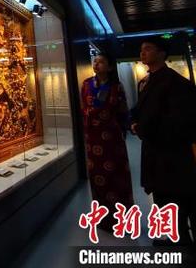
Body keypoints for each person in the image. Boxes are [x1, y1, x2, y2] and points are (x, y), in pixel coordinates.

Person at [131, 37, 196, 245]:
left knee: (177, 198)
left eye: (148, 48)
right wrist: (133, 122)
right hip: (155, 151)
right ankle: (177, 239)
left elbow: (179, 121)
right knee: (163, 197)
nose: (143, 53)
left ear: (162, 53)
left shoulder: (175, 82)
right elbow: (140, 110)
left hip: (171, 153)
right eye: (141, 49)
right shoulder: (146, 81)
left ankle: (184, 245)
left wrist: (143, 128)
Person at [80, 53, 134, 229]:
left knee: (118, 176)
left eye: (101, 61)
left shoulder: (116, 86)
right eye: (95, 61)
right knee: (97, 177)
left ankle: (122, 218)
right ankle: (103, 219)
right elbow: (83, 108)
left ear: (110, 67)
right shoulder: (86, 84)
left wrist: (125, 128)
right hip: (93, 138)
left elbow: (123, 111)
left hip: (112, 138)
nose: (97, 64)